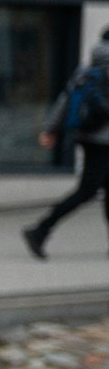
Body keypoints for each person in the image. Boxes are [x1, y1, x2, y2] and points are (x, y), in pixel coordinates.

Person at [24, 34, 109, 259]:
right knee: (87, 191)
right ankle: (40, 229)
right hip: (104, 142)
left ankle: (41, 230)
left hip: (88, 137)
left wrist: (50, 129)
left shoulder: (87, 70)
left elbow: (65, 101)